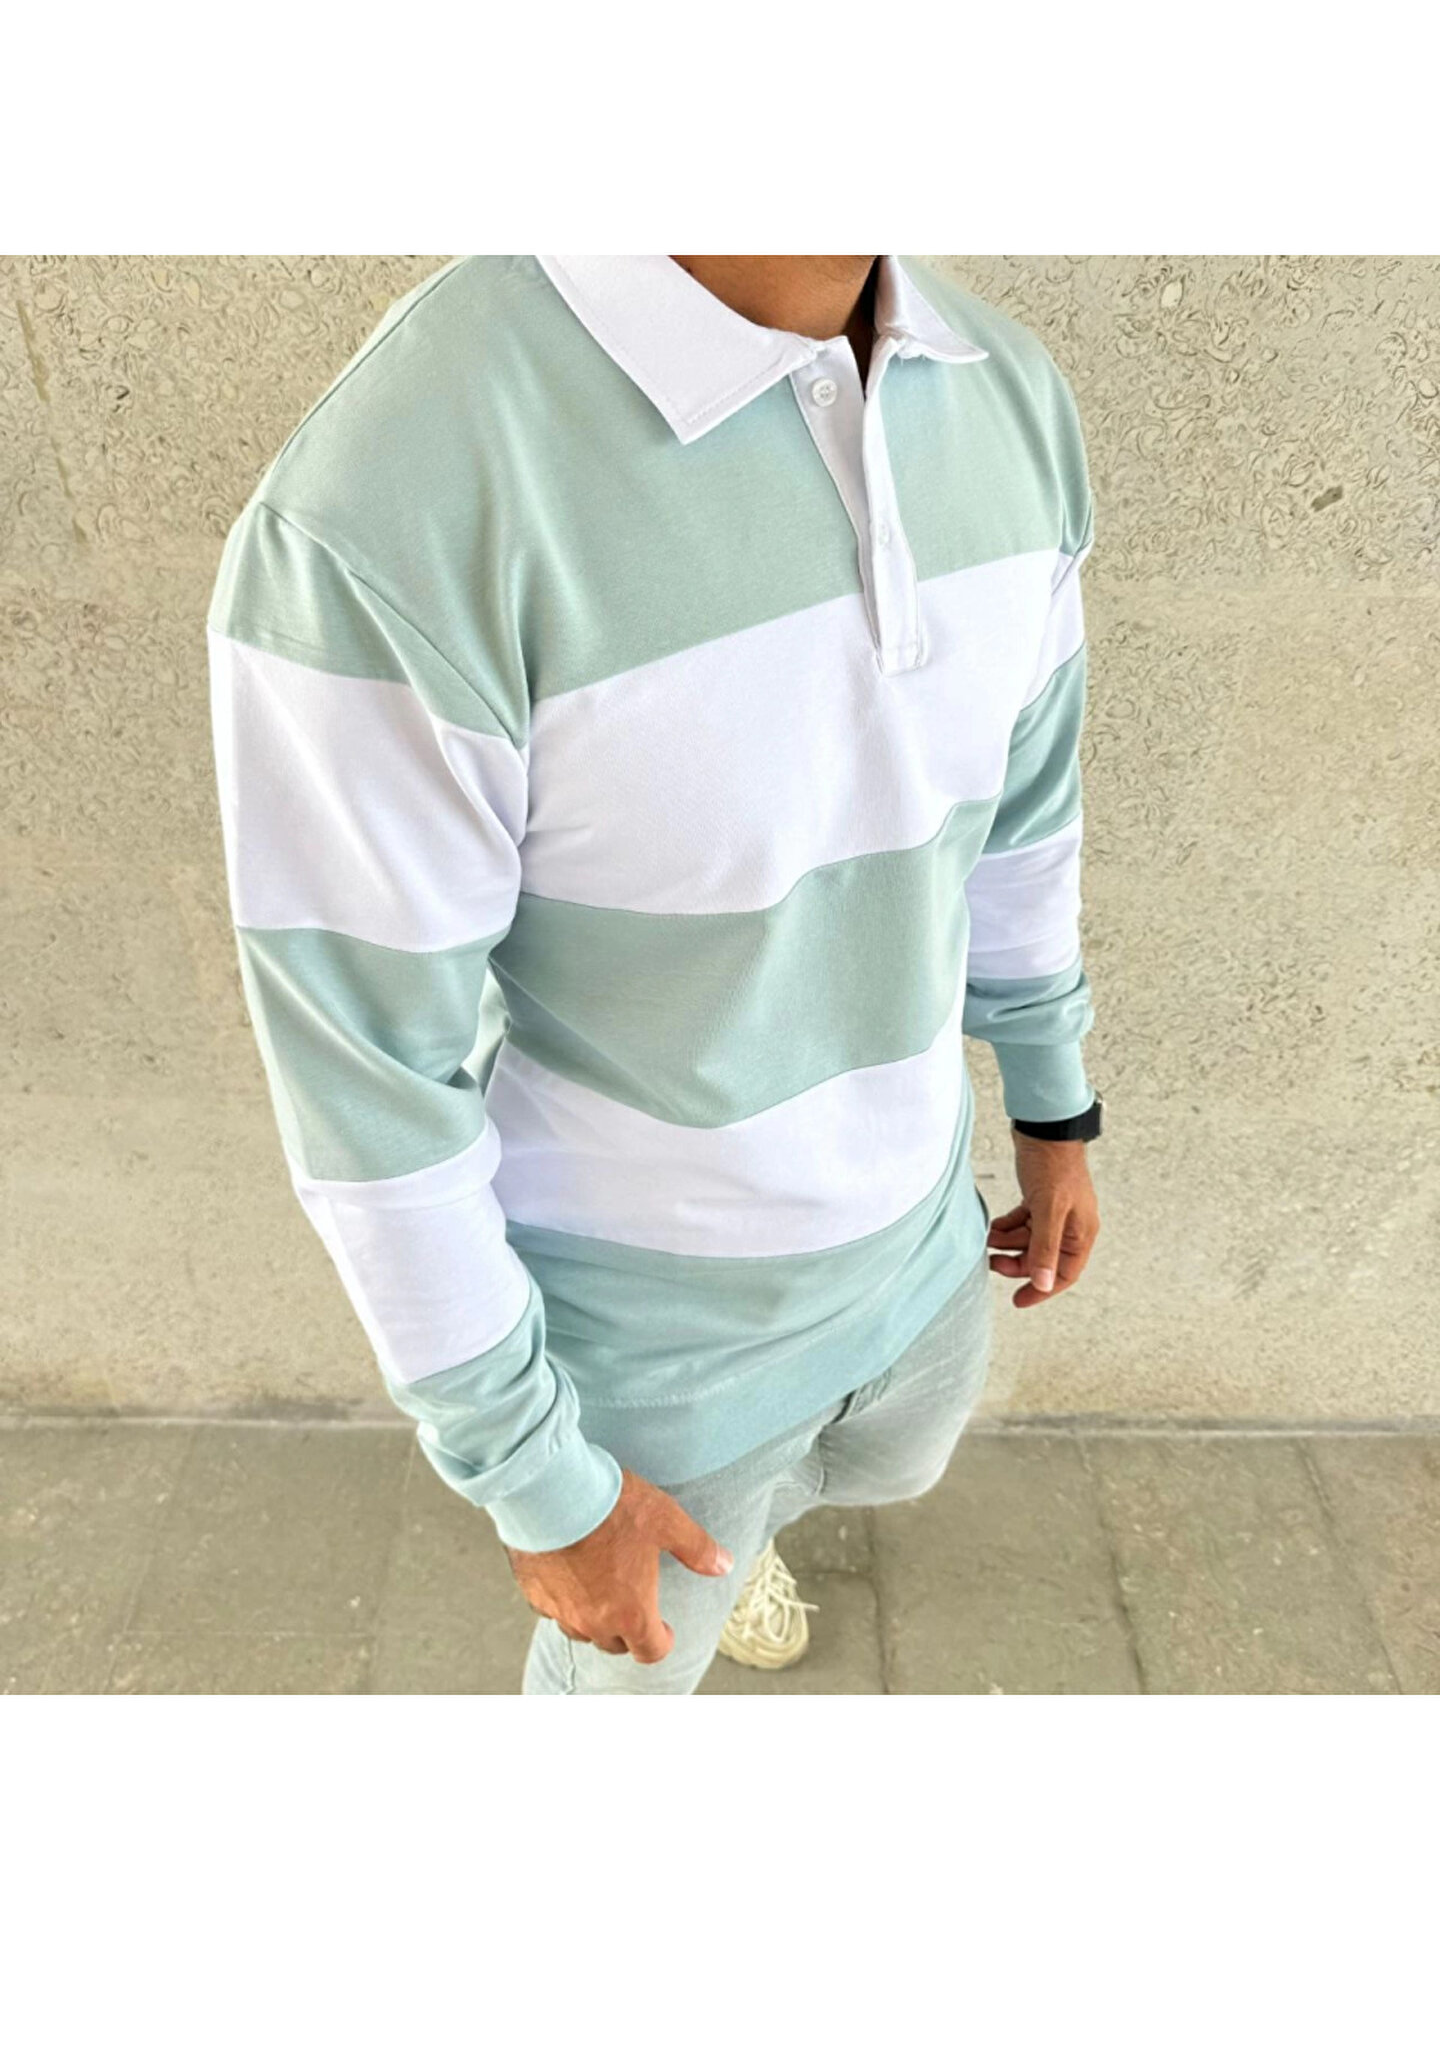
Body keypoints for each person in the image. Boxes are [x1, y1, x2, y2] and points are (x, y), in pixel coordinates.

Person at [206, 254, 1102, 1695]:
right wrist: (539, 1483)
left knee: (872, 1467)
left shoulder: (1007, 393)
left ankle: (758, 1526)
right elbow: (369, 1088)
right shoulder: (394, 494)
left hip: (927, 1249)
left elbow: (1023, 810)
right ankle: (720, 1540)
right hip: (651, 1357)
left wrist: (1056, 1110)